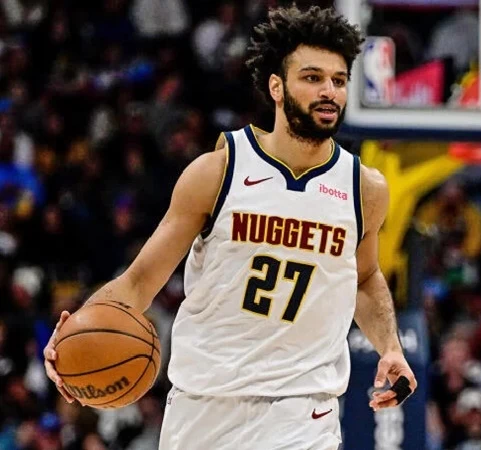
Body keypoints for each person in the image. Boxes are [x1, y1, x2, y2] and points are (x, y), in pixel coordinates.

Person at [43, 6, 417, 449]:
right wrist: (77, 331)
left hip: (302, 413)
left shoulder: (364, 188)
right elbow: (140, 280)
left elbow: (365, 277)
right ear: (276, 86)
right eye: (312, 77)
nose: (328, 91)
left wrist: (390, 346)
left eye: (338, 80)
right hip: (203, 407)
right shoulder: (219, 171)